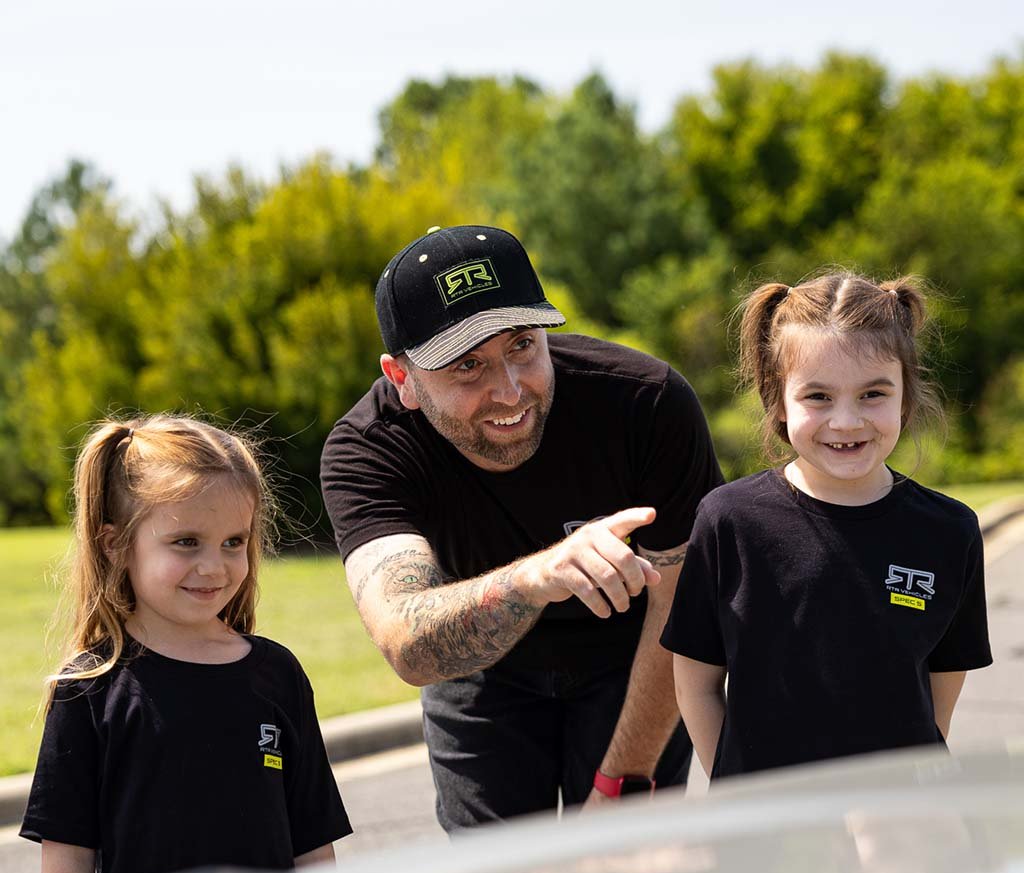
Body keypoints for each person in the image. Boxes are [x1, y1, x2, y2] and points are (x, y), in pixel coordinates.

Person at [321, 224, 723, 832]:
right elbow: (407, 640)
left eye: (521, 347)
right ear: (401, 378)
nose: (508, 391)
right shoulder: (368, 450)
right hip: (482, 670)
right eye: (466, 365)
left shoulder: (648, 404)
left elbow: (684, 608)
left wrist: (622, 783)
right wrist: (537, 577)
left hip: (633, 657)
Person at [662, 273, 993, 780]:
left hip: (902, 830)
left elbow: (937, 704)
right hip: (770, 832)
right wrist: (737, 794)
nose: (846, 421)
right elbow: (696, 685)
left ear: (905, 395)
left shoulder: (950, 531)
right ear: (777, 399)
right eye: (818, 396)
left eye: (872, 394)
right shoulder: (729, 520)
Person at [20, 415, 352, 873]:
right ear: (116, 545)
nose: (214, 566)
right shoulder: (89, 689)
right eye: (186, 542)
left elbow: (313, 847)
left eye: (233, 542)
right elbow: (66, 863)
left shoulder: (277, 675)